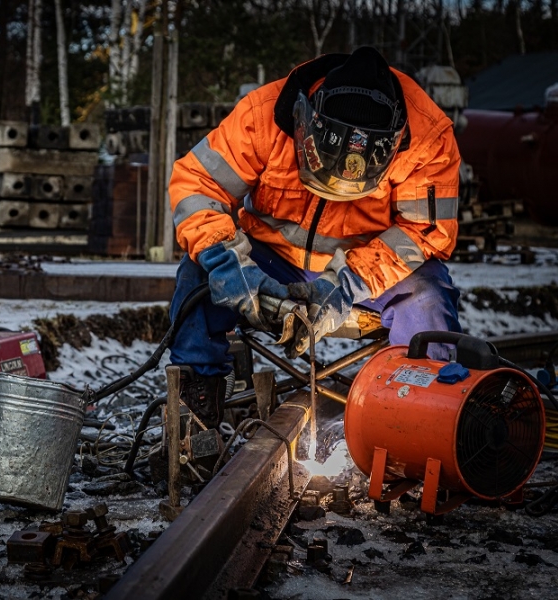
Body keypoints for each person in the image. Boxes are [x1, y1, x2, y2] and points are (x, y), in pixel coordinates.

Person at [167, 46, 462, 428]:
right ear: (307, 121)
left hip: (366, 274)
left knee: (427, 300)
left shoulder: (427, 138)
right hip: (270, 259)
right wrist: (230, 265)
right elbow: (198, 185)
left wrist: (345, 284)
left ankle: (420, 417)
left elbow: (423, 232)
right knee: (198, 277)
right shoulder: (264, 115)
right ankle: (195, 413)